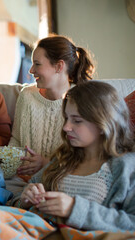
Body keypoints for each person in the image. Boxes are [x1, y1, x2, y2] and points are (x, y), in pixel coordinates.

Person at [0, 81, 135, 239]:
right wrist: (26, 197)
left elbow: (131, 225)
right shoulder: (63, 159)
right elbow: (18, 202)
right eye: (66, 118)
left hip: (81, 235)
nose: (66, 127)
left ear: (103, 123)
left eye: (77, 121)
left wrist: (74, 209)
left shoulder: (126, 167)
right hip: (37, 231)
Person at [9, 35, 95, 176]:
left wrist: (46, 163)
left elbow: (86, 156)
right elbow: (16, 140)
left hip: (60, 179)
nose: (31, 70)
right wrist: (9, 164)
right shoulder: (27, 95)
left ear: (59, 66)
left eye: (37, 64)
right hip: (22, 179)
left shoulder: (83, 101)